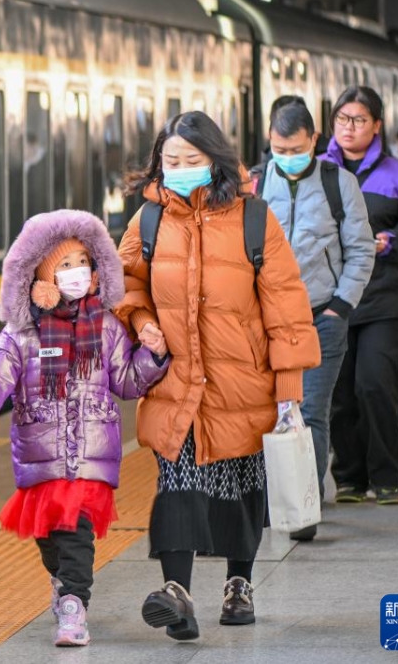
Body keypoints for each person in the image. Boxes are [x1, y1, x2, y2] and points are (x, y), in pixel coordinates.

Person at [116, 111, 320, 640]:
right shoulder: (149, 221)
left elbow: (286, 307)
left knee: (239, 487)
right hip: (177, 381)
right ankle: (177, 594)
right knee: (177, 482)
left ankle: (238, 584)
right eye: (170, 160)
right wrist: (141, 322)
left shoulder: (256, 219)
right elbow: (126, 285)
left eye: (191, 160)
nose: (179, 169)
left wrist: (289, 390)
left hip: (242, 380)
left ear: (216, 162)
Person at [0, 209, 169, 647]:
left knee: (75, 535)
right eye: (64, 266)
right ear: (41, 277)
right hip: (42, 454)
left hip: (89, 456)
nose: (77, 273)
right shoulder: (22, 332)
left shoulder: (105, 326)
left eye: (83, 262)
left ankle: (73, 605)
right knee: (50, 535)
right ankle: (62, 583)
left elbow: (125, 380)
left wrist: (153, 357)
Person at [258, 99, 376, 541]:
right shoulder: (254, 185)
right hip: (269, 320)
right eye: (278, 148)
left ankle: (305, 506)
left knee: (311, 411)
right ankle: (274, 501)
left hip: (322, 314)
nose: (287, 157)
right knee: (268, 410)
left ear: (313, 140)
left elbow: (361, 249)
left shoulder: (338, 183)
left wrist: (340, 306)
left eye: (295, 147)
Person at [321, 86, 398, 504]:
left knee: (376, 384)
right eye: (342, 119)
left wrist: (391, 240)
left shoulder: (397, 174)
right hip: (331, 299)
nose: (349, 128)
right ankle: (349, 477)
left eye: (358, 120)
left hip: (383, 299)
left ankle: (386, 476)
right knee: (340, 390)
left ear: (376, 126)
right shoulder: (319, 171)